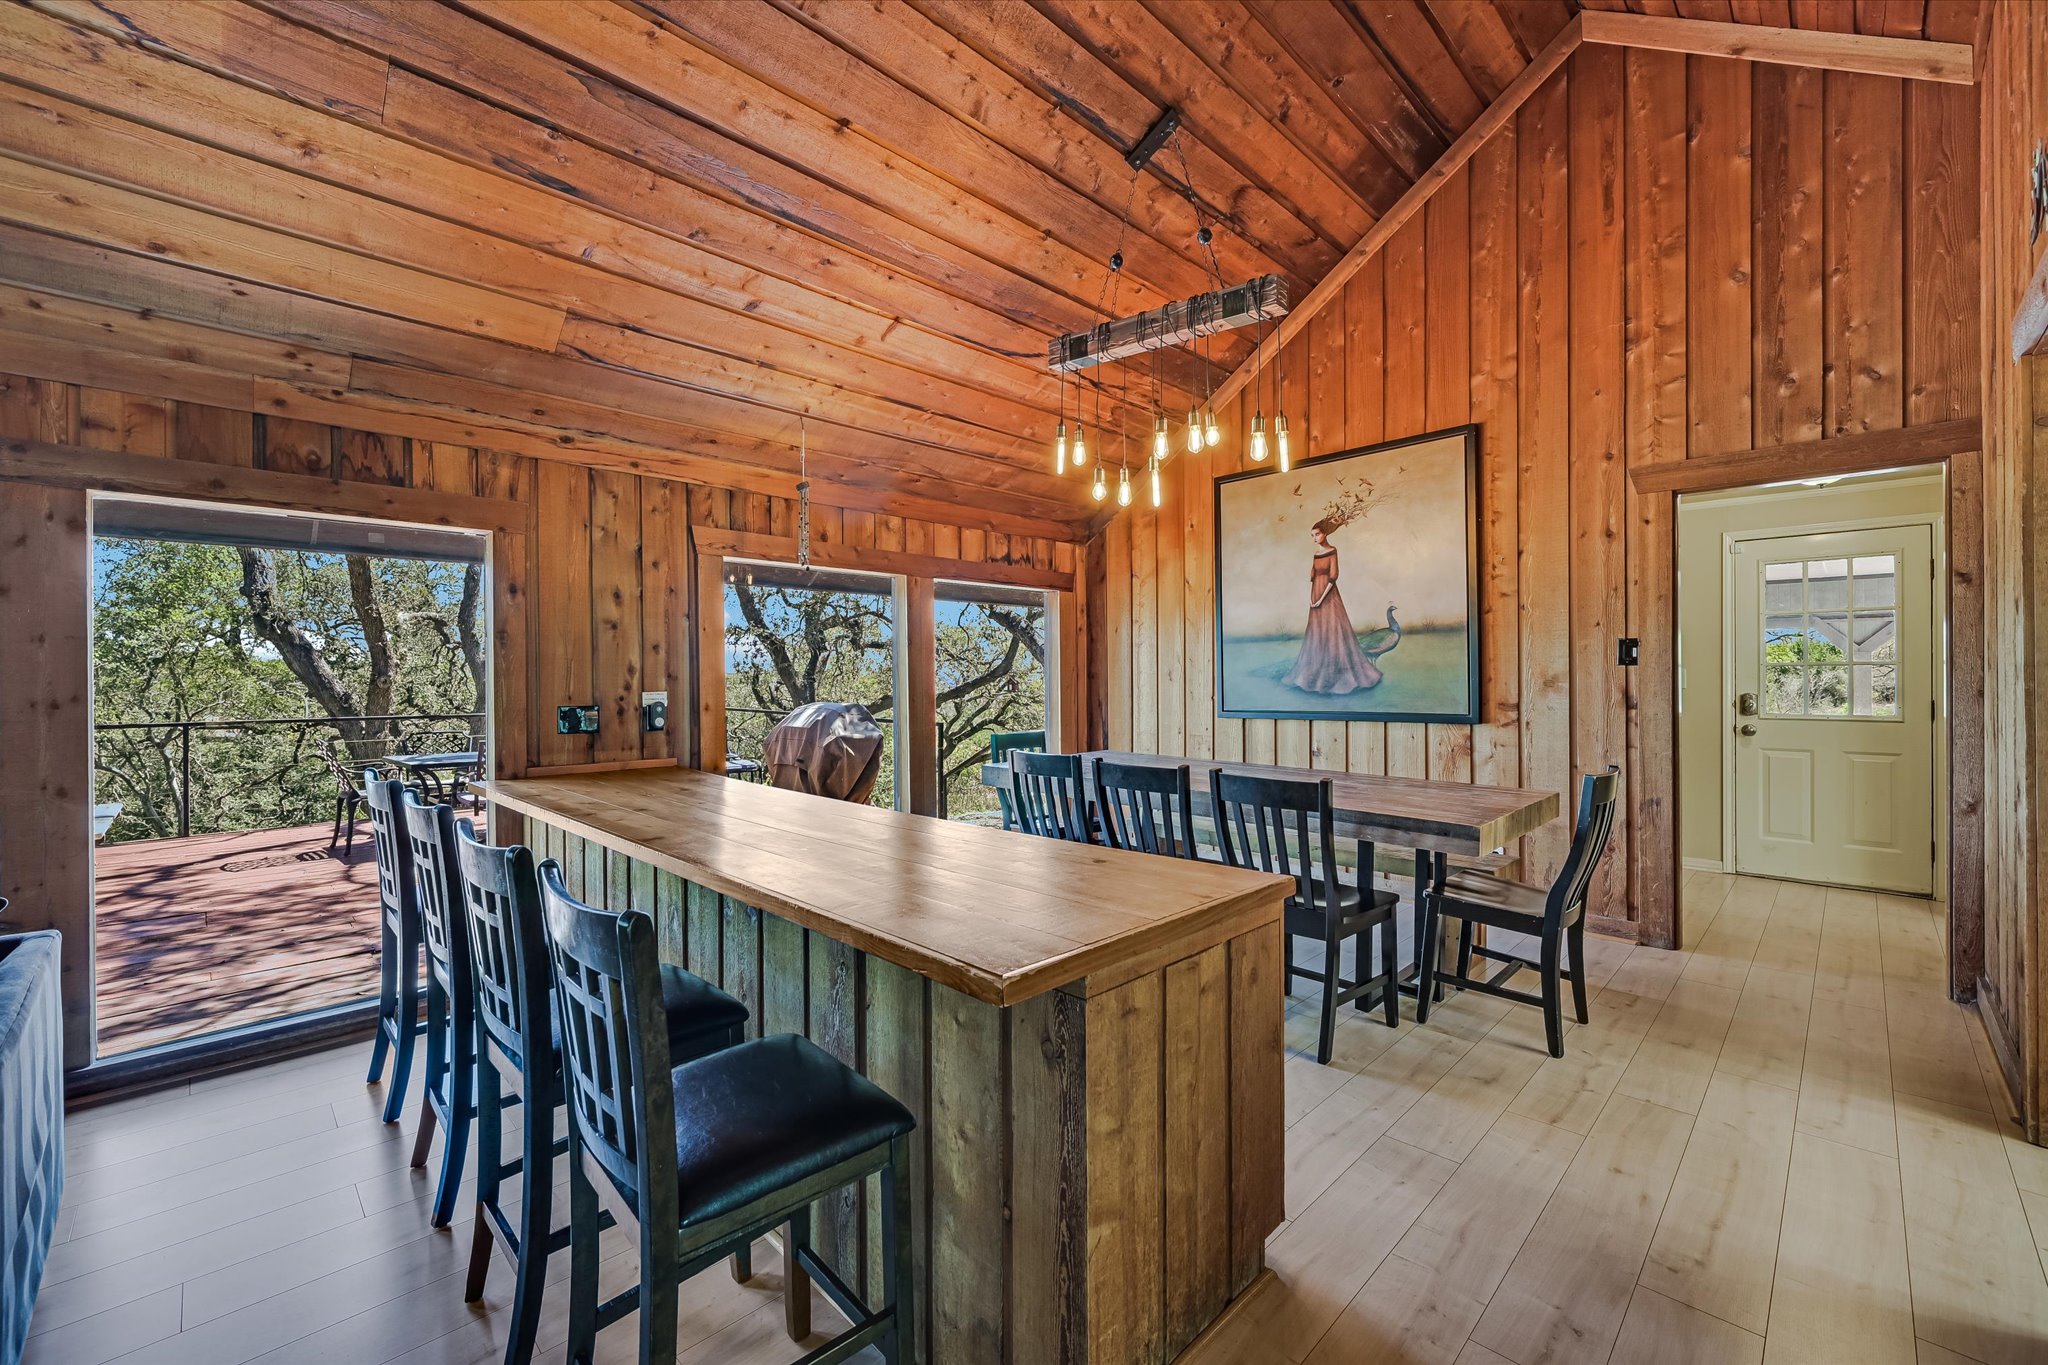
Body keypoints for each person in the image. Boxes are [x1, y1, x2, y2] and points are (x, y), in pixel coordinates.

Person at [1283, 520, 1381, 694]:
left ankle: (1337, 671)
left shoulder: (1332, 551)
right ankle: (1318, 668)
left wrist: (1320, 599)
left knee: (1333, 629)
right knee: (1317, 631)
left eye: (1317, 534)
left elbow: (1333, 577)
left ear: (1325, 534)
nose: (1314, 538)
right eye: (1312, 536)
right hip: (1315, 594)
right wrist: (1312, 598)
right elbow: (1313, 578)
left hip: (1328, 595)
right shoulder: (1316, 554)